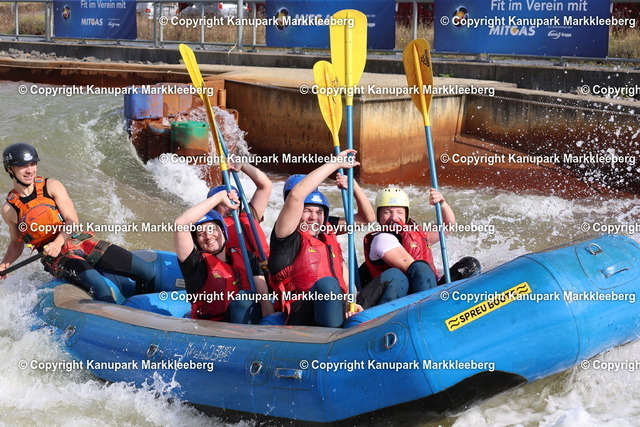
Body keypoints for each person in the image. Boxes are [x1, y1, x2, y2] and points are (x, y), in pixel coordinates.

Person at [0, 143, 155, 302]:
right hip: (57, 258)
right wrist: (4, 265)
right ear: (10, 169)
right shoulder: (10, 209)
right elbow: (16, 242)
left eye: (33, 164)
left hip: (81, 241)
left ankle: (140, 306)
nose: (30, 170)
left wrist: (57, 243)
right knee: (101, 289)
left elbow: (72, 221)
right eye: (23, 166)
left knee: (148, 272)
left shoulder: (51, 186)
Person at [269, 150, 367, 327]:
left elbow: (366, 219)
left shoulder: (325, 233)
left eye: (319, 212)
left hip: (333, 306)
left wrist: (353, 186)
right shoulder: (286, 237)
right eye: (307, 211)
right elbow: (296, 196)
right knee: (328, 284)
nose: (314, 217)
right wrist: (336, 164)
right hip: (302, 313)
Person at [359, 187, 480, 307]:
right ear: (379, 216)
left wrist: (442, 204)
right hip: (400, 298)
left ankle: (457, 305)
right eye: (387, 212)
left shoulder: (415, 235)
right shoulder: (382, 239)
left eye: (399, 212)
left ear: (406, 215)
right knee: (419, 267)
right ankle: (431, 308)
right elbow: (413, 268)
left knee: (470, 264)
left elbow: (448, 226)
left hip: (424, 291)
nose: (394, 217)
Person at [174, 189, 273, 323]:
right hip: (211, 327)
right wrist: (220, 197)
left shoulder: (247, 257)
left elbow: (265, 302)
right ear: (197, 241)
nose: (208, 236)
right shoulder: (195, 265)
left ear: (223, 231)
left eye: (211, 229)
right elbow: (180, 224)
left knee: (247, 299)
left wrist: (268, 326)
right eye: (201, 234)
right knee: (244, 299)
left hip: (245, 325)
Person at [206, 161, 272, 262]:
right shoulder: (209, 230)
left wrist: (243, 165)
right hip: (236, 270)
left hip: (262, 266)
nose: (231, 205)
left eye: (234, 201)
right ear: (213, 208)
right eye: (224, 204)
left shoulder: (249, 214)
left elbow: (266, 186)